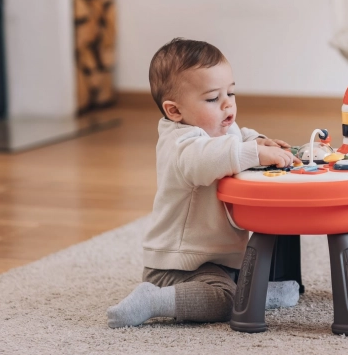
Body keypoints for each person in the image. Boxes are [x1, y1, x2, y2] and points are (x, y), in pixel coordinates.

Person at [107, 38, 300, 328]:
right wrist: (254, 153)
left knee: (242, 274)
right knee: (222, 299)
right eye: (212, 98)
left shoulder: (217, 126)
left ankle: (250, 290)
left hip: (213, 260)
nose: (227, 105)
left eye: (231, 93)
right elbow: (207, 157)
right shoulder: (181, 144)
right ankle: (154, 300)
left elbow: (237, 135)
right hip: (177, 265)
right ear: (175, 111)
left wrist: (257, 140)